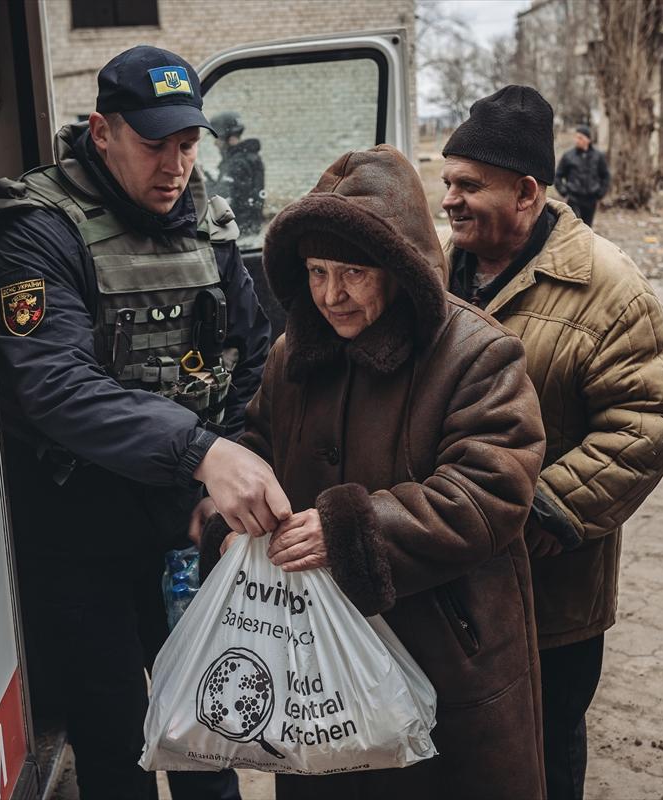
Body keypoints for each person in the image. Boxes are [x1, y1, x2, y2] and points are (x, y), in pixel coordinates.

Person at [195, 144, 549, 799]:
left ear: (399, 268)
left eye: (353, 272)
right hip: (319, 667)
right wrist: (226, 523)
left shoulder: (477, 353)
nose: (331, 295)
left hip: (446, 655)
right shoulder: (290, 356)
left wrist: (351, 530)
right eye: (316, 271)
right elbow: (255, 450)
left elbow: (491, 492)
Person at [0, 46, 285, 799]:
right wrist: (202, 454)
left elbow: (250, 356)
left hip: (187, 522)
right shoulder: (38, 228)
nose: (175, 165)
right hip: (80, 530)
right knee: (115, 741)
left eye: (187, 144)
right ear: (103, 130)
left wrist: (228, 463)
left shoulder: (208, 219)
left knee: (207, 732)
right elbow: (53, 384)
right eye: (154, 145)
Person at [440, 86, 663, 800]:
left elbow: (647, 418)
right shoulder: (435, 268)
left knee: (542, 755)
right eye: (447, 182)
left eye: (468, 185)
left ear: (525, 191)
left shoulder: (607, 286)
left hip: (549, 588)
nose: (450, 199)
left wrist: (544, 508)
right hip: (446, 576)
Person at [207, 111, 265, 237]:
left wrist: (201, 182)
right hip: (248, 228)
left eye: (217, 138)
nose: (215, 143)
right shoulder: (249, 157)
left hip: (239, 232)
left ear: (230, 138)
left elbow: (222, 198)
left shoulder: (237, 164)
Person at [555, 124, 610, 226]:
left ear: (588, 140)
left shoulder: (598, 156)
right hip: (573, 198)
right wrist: (564, 192)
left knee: (587, 228)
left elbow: (605, 176)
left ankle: (585, 242)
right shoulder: (568, 156)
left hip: (591, 199)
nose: (577, 140)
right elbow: (558, 176)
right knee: (575, 226)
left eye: (580, 137)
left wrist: (600, 193)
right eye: (576, 137)